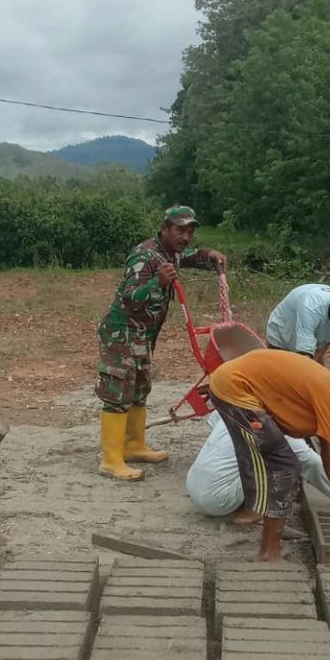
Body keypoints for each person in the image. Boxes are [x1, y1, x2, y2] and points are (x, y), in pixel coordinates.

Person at [209, 349, 330, 562]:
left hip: (230, 381)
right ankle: (269, 550)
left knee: (271, 454)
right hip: (235, 388)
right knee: (284, 466)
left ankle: (260, 515)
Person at [96, 205, 226, 480]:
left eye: (190, 231)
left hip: (143, 335)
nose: (186, 236)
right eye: (180, 229)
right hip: (123, 332)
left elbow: (189, 257)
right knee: (118, 390)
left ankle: (134, 445)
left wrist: (208, 255)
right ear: (164, 228)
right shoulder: (144, 256)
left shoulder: (171, 253)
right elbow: (130, 297)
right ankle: (111, 460)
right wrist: (157, 281)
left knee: (140, 387)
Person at [186, 410, 330, 517]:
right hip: (217, 501)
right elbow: (313, 463)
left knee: (251, 453)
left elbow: (213, 419)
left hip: (193, 483)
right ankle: (253, 514)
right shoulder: (277, 427)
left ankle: (244, 501)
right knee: (282, 460)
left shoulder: (236, 406)